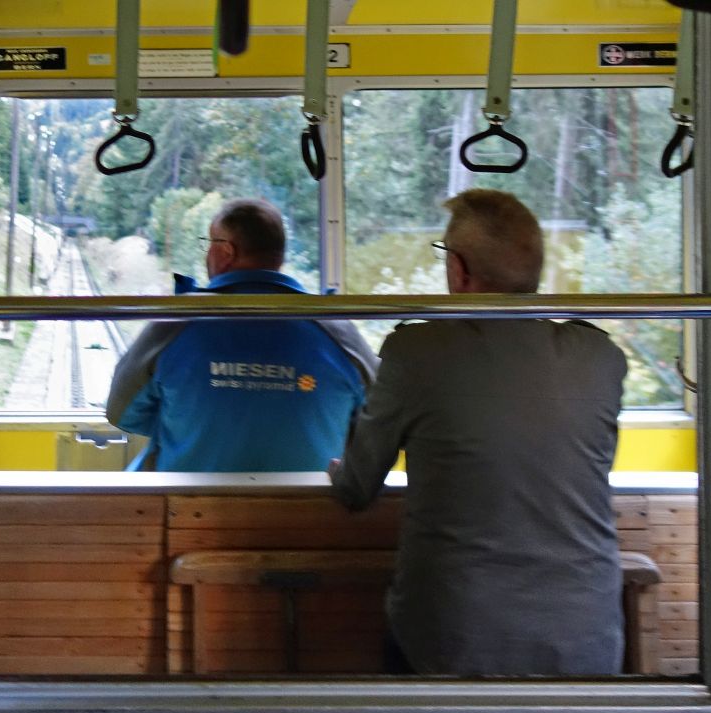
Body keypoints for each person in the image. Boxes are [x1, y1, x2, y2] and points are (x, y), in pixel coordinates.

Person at [328, 189, 628, 676]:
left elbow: (358, 489)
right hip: (586, 641)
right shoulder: (600, 359)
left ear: (459, 271)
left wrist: (339, 471)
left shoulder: (417, 352)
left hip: (452, 641)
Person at [107, 198, 378, 472]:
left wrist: (197, 415)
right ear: (280, 256)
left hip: (187, 510)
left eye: (208, 243)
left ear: (226, 252)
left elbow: (121, 413)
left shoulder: (175, 322)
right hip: (311, 513)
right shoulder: (338, 331)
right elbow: (385, 417)